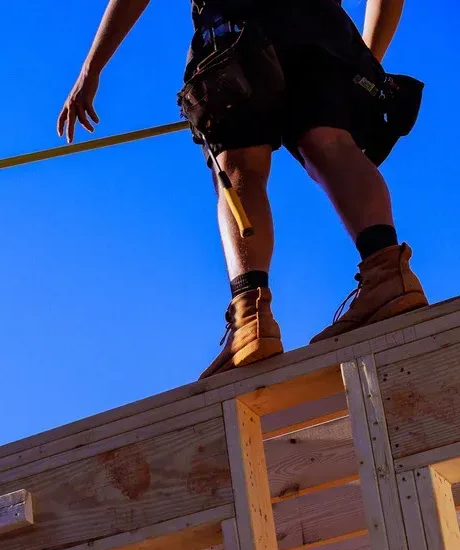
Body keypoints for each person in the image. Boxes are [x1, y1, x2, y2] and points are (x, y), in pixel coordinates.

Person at [58, 0, 427, 375]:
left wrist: (91, 70)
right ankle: (389, 277)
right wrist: (361, 58)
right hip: (321, 27)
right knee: (330, 141)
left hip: (233, 27)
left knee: (240, 166)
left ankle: (250, 319)